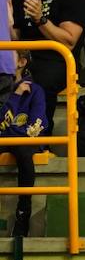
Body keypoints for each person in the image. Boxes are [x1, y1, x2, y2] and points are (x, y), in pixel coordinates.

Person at [12, 0, 85, 128]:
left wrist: (41, 19)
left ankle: (39, 139)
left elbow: (69, 41)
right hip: (25, 59)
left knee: (40, 82)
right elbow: (17, 38)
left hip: (58, 61)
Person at [1, 50, 43, 238]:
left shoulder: (36, 91)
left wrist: (8, 131)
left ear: (21, 62)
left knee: (25, 152)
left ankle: (23, 212)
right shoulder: (3, 89)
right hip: (6, 138)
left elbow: (35, 127)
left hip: (22, 142)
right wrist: (16, 96)